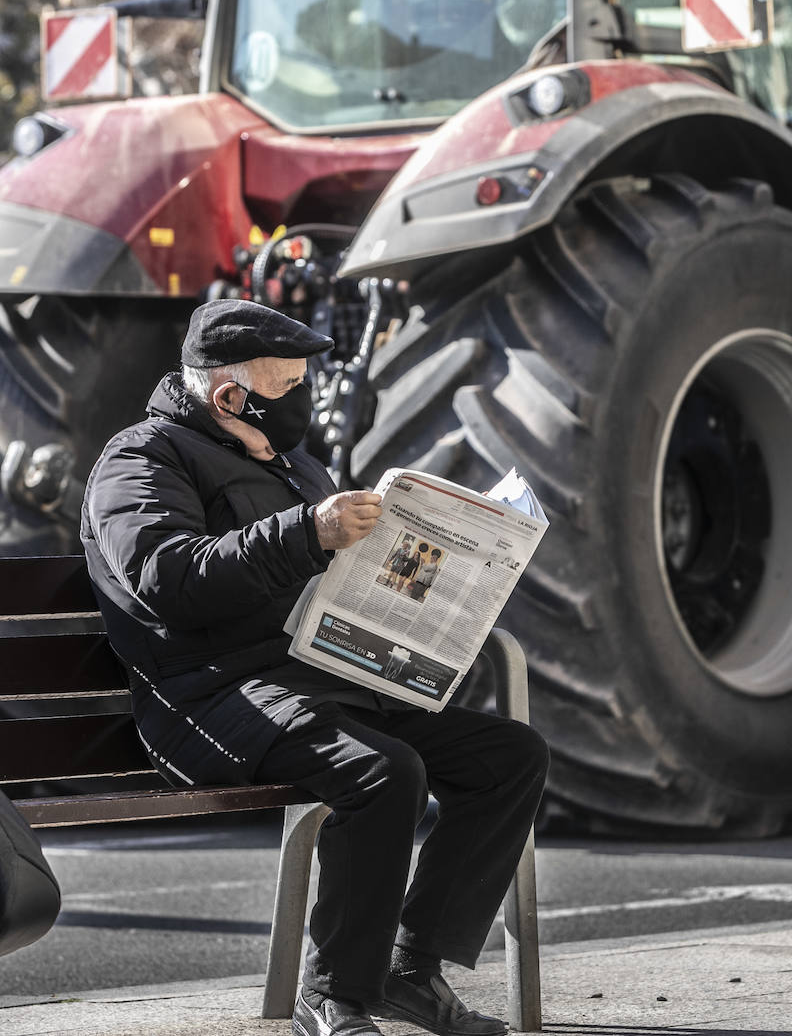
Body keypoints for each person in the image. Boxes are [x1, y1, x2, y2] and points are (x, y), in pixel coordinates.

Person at [80, 299, 548, 1036]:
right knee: (383, 772)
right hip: (207, 699)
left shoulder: (291, 461)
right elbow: (167, 578)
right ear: (231, 396)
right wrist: (309, 530)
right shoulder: (142, 458)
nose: (306, 400)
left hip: (313, 678)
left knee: (508, 757)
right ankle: (332, 995)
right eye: (290, 387)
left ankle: (410, 974)